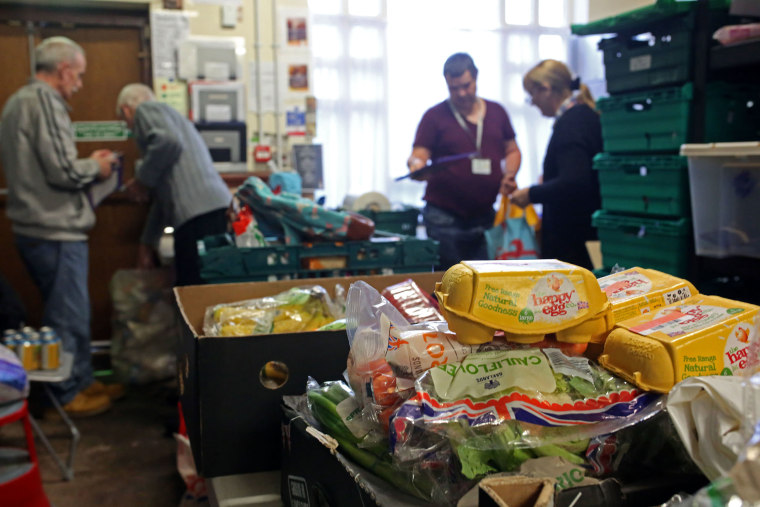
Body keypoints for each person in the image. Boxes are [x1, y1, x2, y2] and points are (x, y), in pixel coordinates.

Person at [0, 36, 123, 417]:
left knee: (70, 311)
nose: (80, 84)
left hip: (39, 227)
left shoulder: (18, 103)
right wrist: (98, 167)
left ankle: (83, 380)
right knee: (66, 316)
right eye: (79, 75)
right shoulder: (43, 100)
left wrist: (85, 160)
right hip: (53, 230)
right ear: (64, 69)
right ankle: (65, 395)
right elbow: (63, 170)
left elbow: (46, 163)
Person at [407, 52, 521, 271]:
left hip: (485, 216)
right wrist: (416, 165)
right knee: (451, 284)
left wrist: (510, 175)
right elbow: (418, 154)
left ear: (476, 78)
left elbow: (512, 150)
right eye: (453, 88)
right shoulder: (434, 116)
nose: (461, 93)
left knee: (485, 285)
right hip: (444, 218)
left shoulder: (497, 112)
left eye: (466, 86)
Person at [115, 83, 232, 286]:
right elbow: (164, 197)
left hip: (196, 216)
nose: (132, 131)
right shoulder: (176, 121)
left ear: (127, 110)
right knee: (211, 285)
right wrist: (147, 242)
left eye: (127, 124)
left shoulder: (146, 109)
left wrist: (141, 180)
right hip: (216, 209)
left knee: (192, 290)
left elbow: (168, 142)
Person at [510, 59, 602, 270]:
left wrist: (531, 194)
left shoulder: (571, 123)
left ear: (546, 89)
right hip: (587, 231)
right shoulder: (585, 116)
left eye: (532, 94)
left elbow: (574, 182)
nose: (532, 102)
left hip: (572, 240)